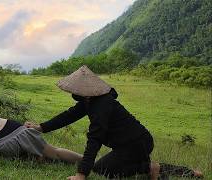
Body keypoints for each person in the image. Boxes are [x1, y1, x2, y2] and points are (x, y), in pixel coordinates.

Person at [25, 65, 203, 180]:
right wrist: (41, 127)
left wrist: (81, 174)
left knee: (103, 170)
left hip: (135, 144)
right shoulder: (90, 101)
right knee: (104, 166)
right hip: (129, 144)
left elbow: (94, 138)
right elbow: (68, 115)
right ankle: (185, 172)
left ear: (84, 90)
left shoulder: (101, 104)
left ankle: (152, 168)